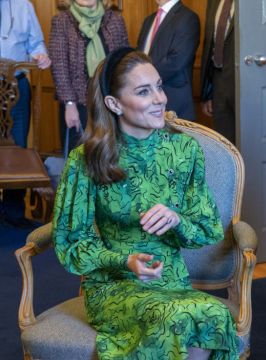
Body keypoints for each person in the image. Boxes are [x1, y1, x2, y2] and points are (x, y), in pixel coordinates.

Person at [52, 48, 238, 360]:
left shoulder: (184, 150)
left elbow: (208, 230)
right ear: (113, 103)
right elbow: (70, 243)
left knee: (214, 317)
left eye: (159, 86)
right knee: (174, 320)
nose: (159, 99)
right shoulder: (87, 159)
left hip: (172, 283)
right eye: (143, 91)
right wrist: (123, 261)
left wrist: (177, 219)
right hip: (113, 288)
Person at [49, 0, 129, 152]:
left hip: (109, 101)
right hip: (77, 104)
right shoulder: (62, 21)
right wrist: (69, 104)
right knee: (79, 157)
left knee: (111, 154)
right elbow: (59, 66)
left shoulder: (116, 20)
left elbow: (124, 61)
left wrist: (122, 99)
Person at [0, 0, 51, 228]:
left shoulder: (23, 5)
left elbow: (36, 43)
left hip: (16, 87)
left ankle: (13, 211)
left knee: (17, 146)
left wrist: (41, 56)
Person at [137, 0, 200, 121]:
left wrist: (143, 79)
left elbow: (176, 61)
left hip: (173, 101)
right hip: (145, 102)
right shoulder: (148, 20)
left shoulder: (188, 18)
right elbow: (140, 55)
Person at [200, 0, 235, 144]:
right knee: (223, 143)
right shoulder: (214, 2)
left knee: (249, 145)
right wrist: (208, 92)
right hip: (218, 81)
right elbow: (210, 44)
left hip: (245, 81)